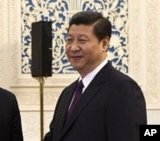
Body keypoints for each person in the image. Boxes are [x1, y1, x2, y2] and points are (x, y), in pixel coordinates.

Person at [44, 11, 147, 141]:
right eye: (69, 40)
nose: (73, 47)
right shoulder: (68, 93)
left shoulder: (123, 89)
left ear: (104, 44)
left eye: (82, 40)